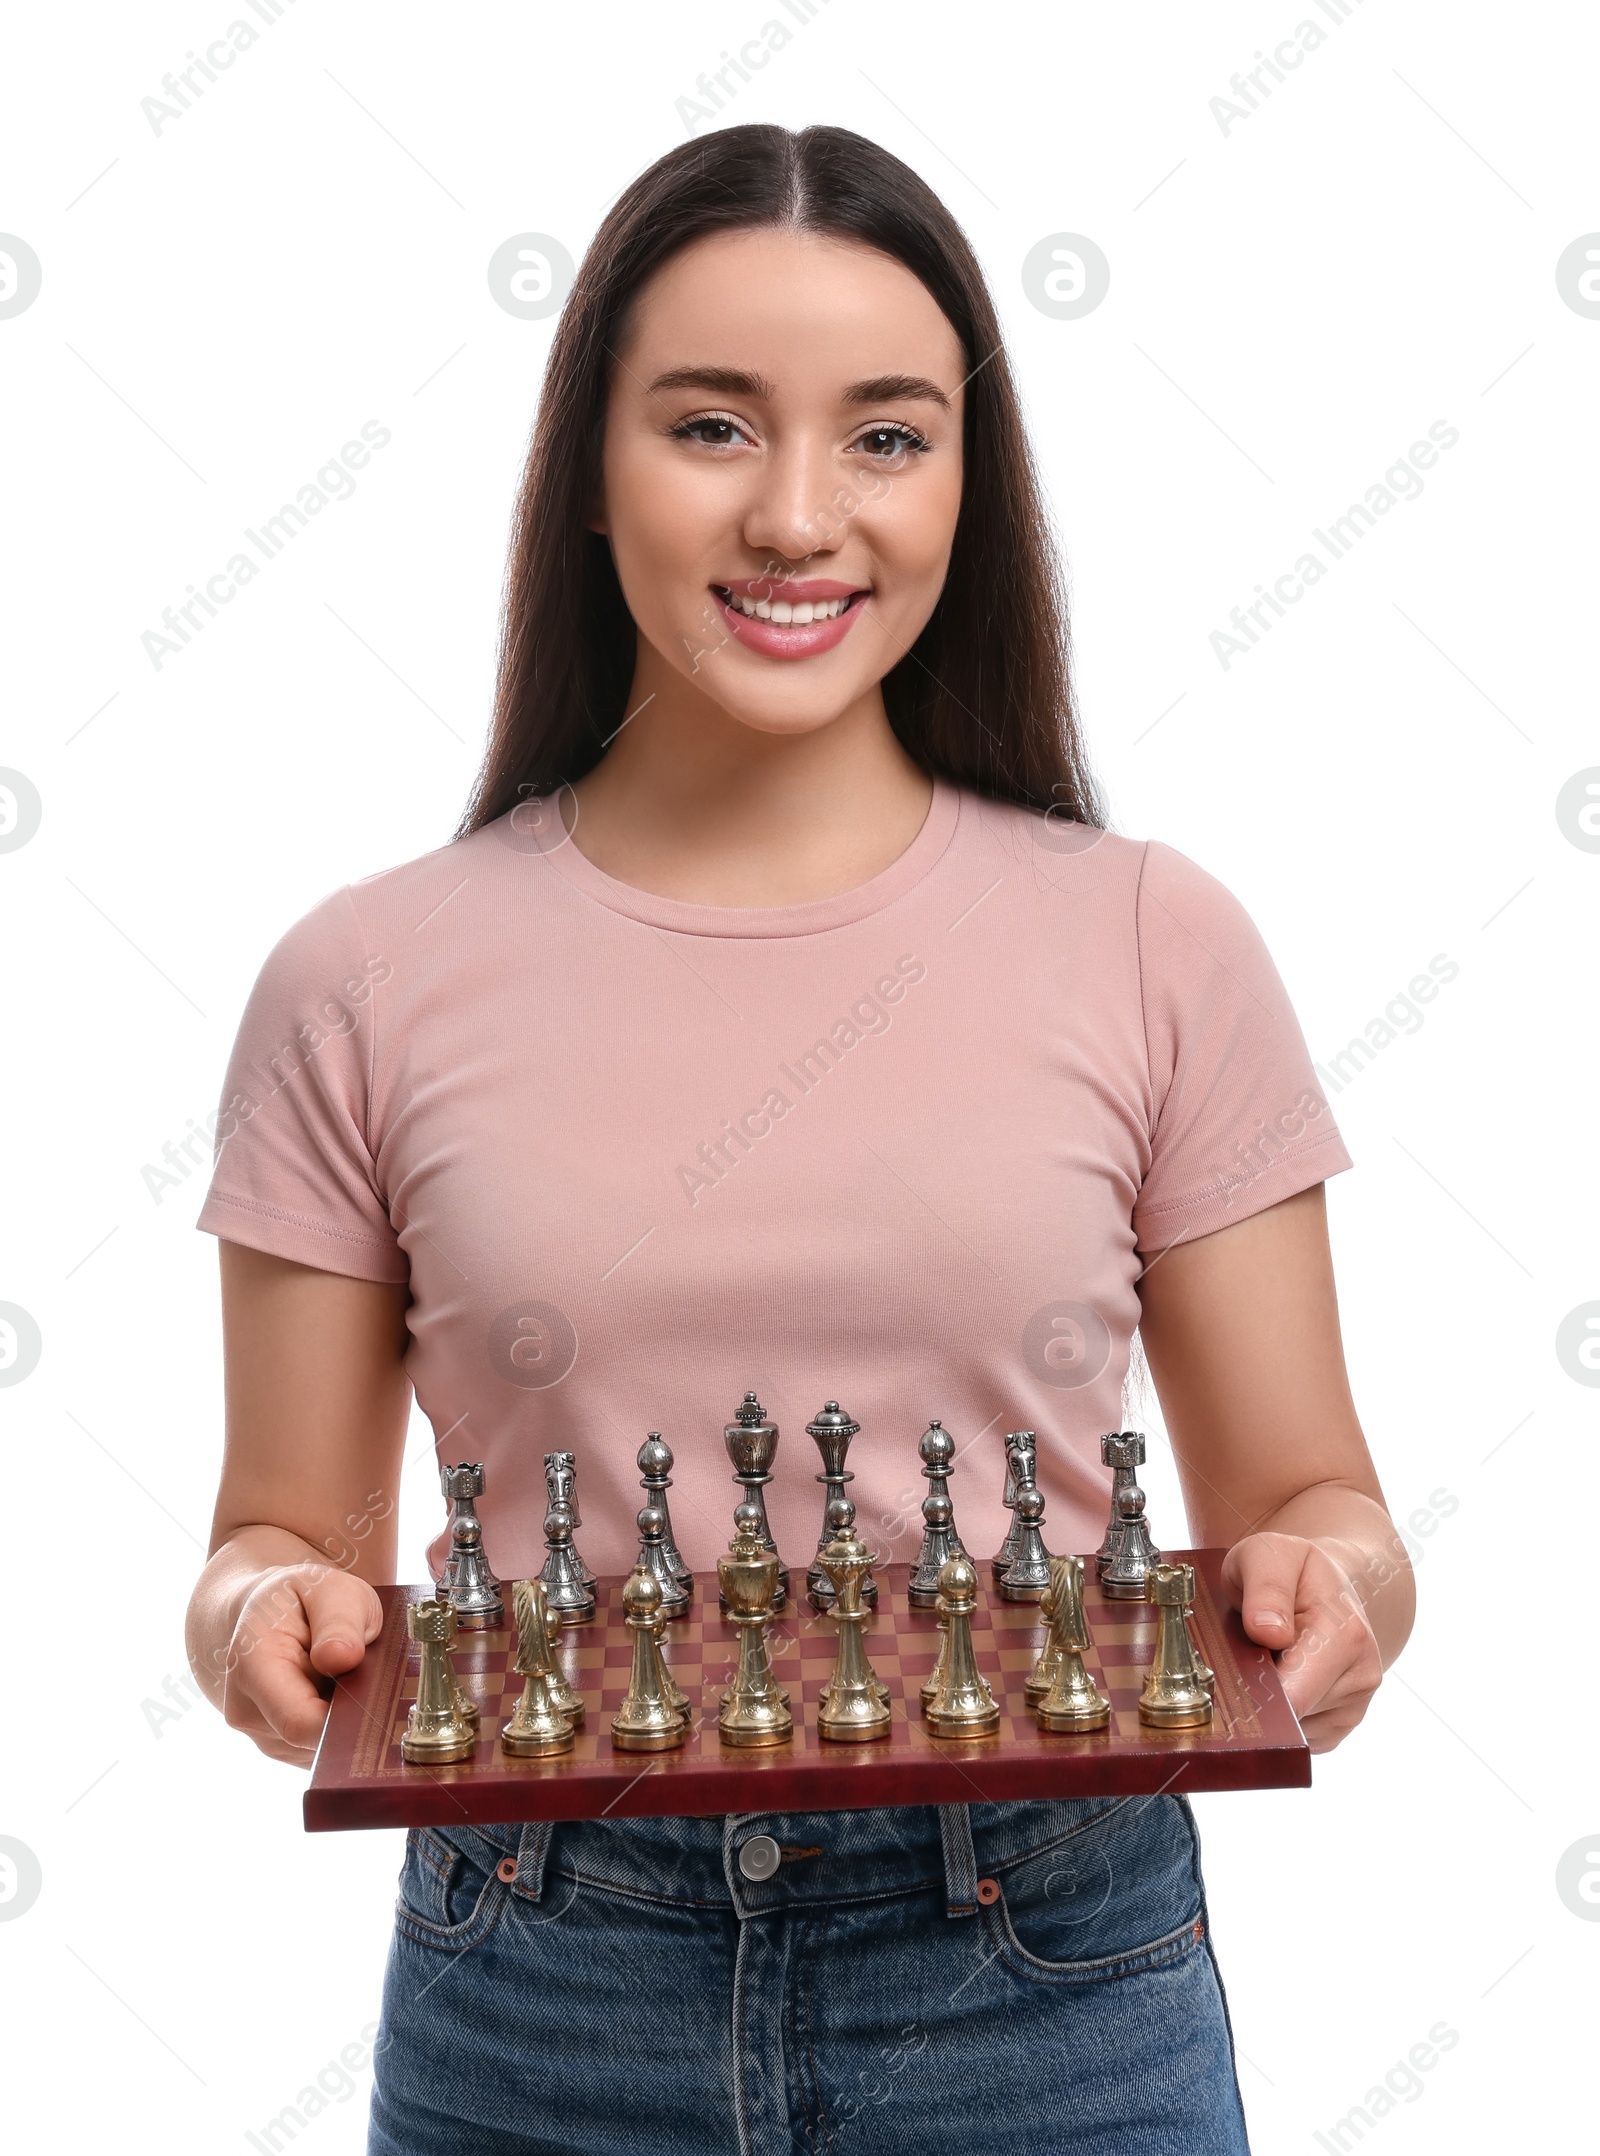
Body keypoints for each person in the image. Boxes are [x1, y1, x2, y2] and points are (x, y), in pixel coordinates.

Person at [184, 124, 1414, 2156]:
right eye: (706, 425)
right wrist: (255, 1621)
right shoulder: (358, 977)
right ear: (589, 465)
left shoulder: (1151, 938)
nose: (792, 516)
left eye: (885, 436)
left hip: (1046, 1972)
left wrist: (1328, 1587)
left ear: (965, 480)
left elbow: (1316, 1501)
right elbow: (276, 1544)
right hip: (540, 1975)